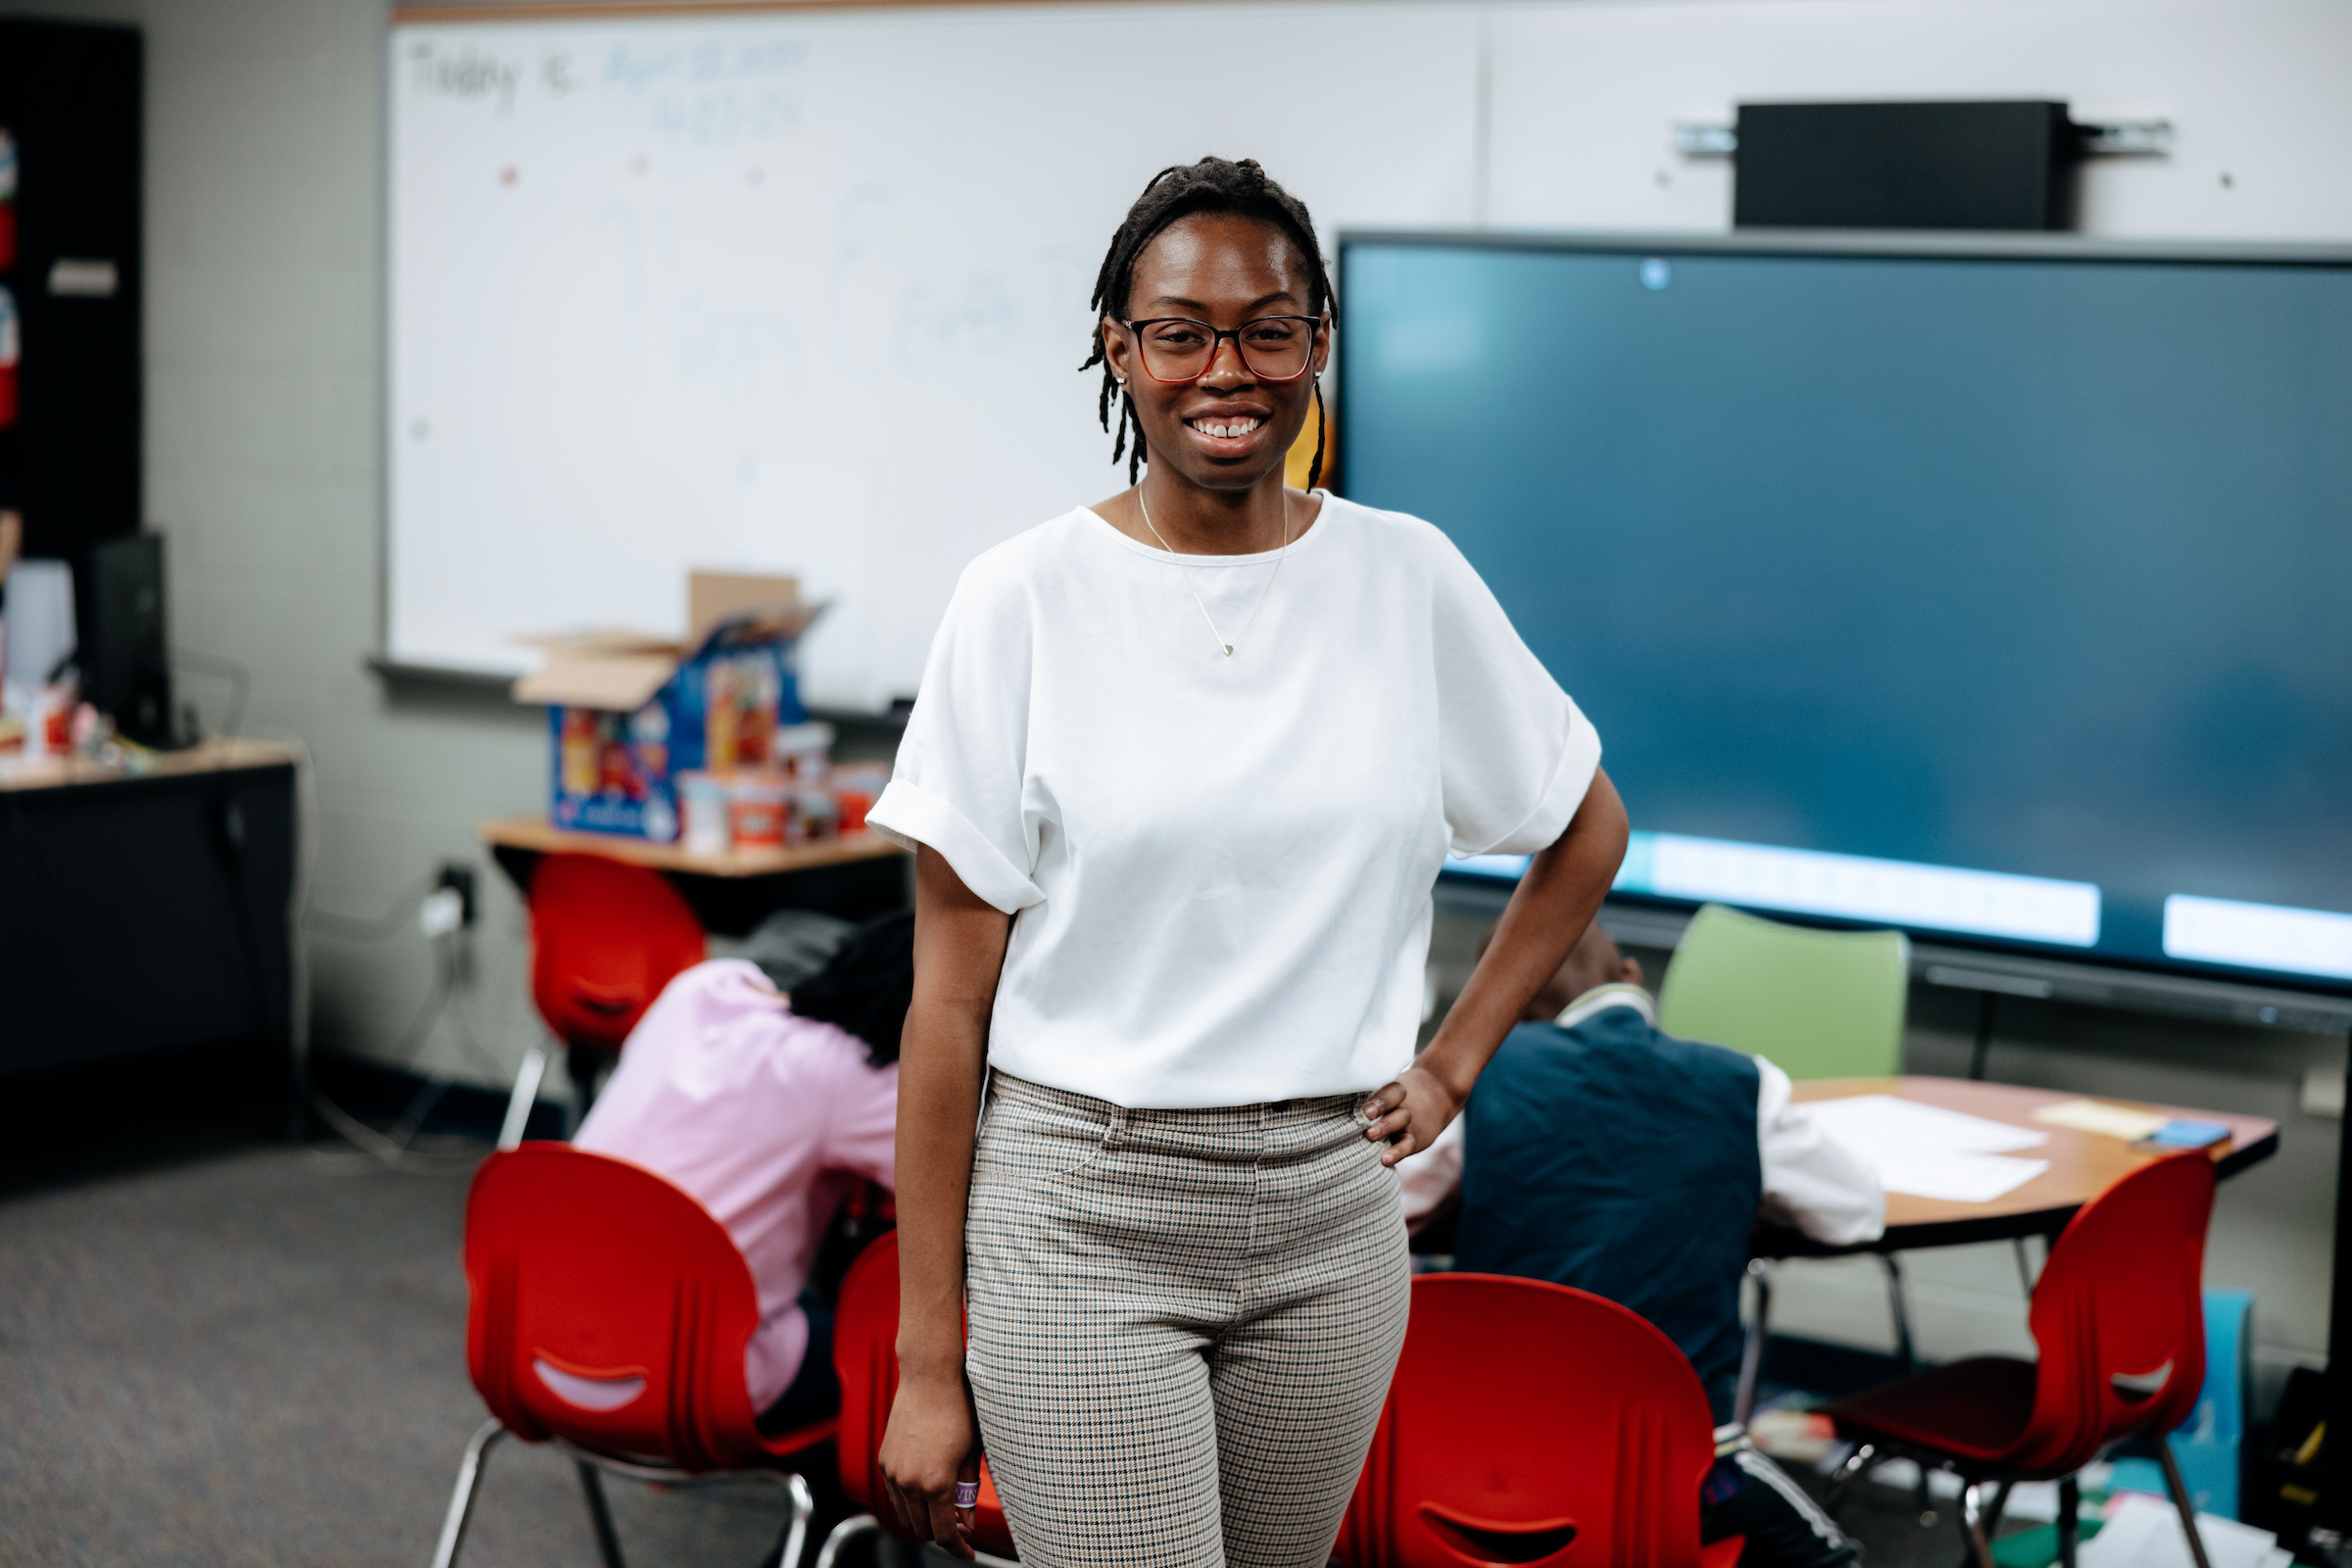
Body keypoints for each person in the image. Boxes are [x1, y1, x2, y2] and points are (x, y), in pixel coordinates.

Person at [863, 155, 1631, 1568]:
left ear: (1316, 343)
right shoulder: (1021, 599)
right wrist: (927, 1356)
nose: (1229, 369)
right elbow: (947, 1013)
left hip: (1331, 1212)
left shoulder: (1408, 577)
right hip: (1083, 1208)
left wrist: (1456, 1061)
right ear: (1120, 348)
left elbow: (1586, 826)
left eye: (1268, 328)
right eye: (1181, 331)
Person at [1399, 920, 1885, 1568]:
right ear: (1630, 976)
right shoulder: (1742, 1084)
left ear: (1495, 1005)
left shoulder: (1477, 1081)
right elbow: (1855, 1212)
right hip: (1680, 1476)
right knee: (1830, 1556)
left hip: (1479, 1469)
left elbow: (1387, 1205)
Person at [572, 909, 908, 1434]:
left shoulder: (700, 987)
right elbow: (959, 1188)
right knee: (889, 1351)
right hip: (686, 1381)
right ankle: (834, 1508)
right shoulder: (847, 1071)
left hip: (537, 1347)